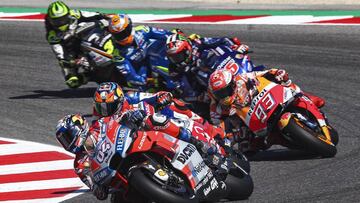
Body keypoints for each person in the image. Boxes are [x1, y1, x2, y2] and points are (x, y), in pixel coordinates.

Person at [208, 68, 325, 152]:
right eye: (220, 94)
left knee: (293, 88)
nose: (224, 96)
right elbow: (220, 130)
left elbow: (263, 73)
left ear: (232, 84)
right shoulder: (216, 109)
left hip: (267, 101)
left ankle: (308, 103)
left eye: (225, 91)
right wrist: (234, 135)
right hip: (252, 124)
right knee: (248, 148)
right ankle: (292, 141)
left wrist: (277, 73)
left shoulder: (242, 78)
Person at [165, 32, 249, 101]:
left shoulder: (198, 43)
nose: (176, 60)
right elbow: (184, 90)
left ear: (187, 49)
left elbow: (223, 40)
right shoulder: (175, 68)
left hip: (224, 66)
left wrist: (234, 47)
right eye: (172, 58)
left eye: (178, 56)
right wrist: (199, 96)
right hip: (208, 88)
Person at [45, 1, 109, 88]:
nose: (60, 23)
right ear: (50, 20)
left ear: (68, 15)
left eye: (62, 19)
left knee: (107, 22)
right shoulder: (52, 35)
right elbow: (60, 55)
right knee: (72, 82)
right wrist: (69, 63)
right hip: (71, 50)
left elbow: (93, 14)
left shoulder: (75, 14)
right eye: (56, 21)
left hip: (86, 36)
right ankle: (87, 76)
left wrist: (104, 16)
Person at [107, 14, 176, 90]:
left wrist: (177, 36)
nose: (122, 37)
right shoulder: (118, 55)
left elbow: (165, 34)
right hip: (141, 70)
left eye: (123, 33)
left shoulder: (142, 30)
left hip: (154, 56)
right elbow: (131, 76)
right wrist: (149, 81)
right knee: (148, 89)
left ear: (129, 27)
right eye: (118, 35)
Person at [55, 114, 109, 200]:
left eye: (68, 136)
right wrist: (96, 184)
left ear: (78, 128)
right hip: (115, 180)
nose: (67, 142)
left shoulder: (101, 125)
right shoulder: (79, 164)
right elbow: (100, 194)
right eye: (64, 140)